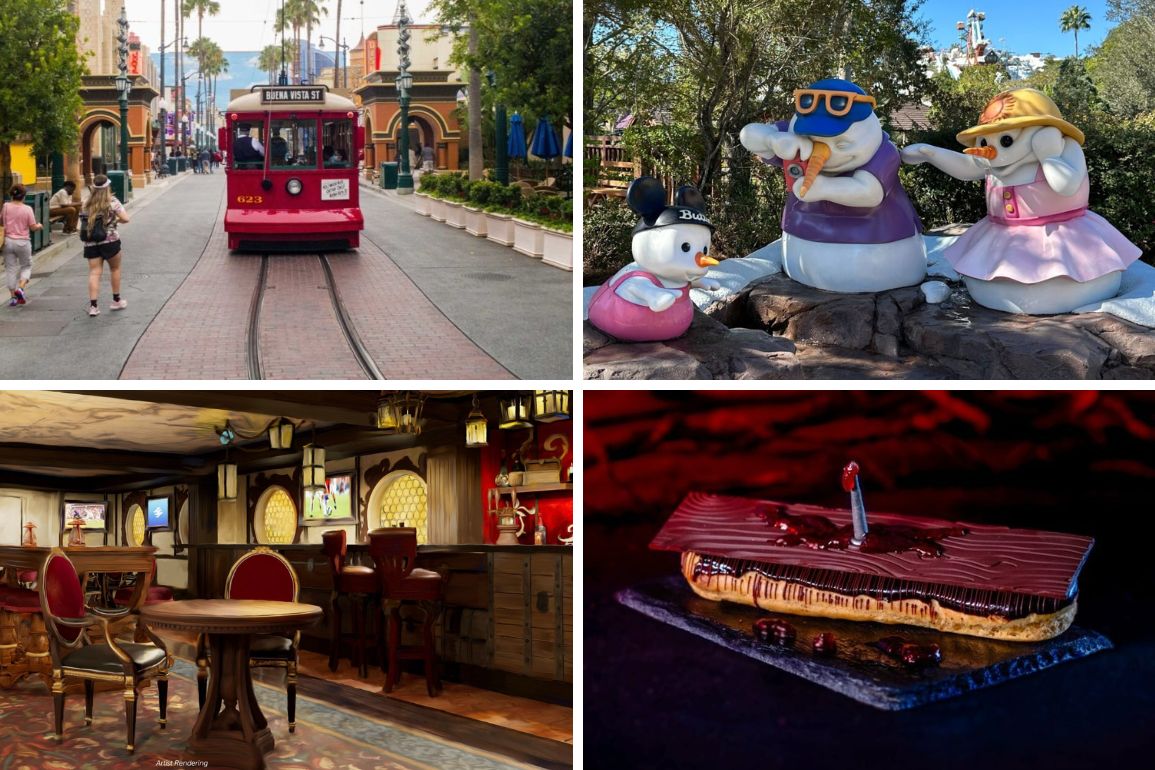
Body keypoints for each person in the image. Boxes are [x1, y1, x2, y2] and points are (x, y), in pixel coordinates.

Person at [79, 173, 131, 317]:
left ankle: (93, 306)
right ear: (107, 187)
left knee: (94, 272)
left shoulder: (85, 202)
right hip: (110, 240)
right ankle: (116, 300)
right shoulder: (113, 202)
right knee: (115, 269)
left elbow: (82, 220)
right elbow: (126, 219)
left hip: (90, 241)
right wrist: (115, 221)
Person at [1, 184, 43, 306]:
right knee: (26, 266)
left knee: (10, 269)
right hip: (23, 242)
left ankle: (13, 298)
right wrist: (39, 225)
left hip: (7, 242)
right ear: (24, 196)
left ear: (11, 195)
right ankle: (21, 288)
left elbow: (2, 220)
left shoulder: (6, 206)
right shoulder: (27, 209)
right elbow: (33, 227)